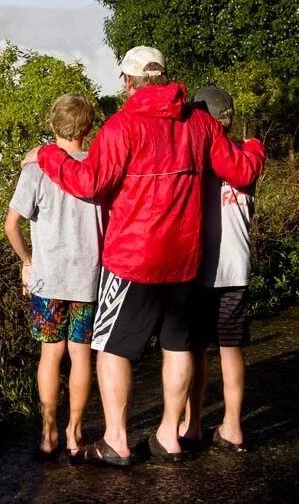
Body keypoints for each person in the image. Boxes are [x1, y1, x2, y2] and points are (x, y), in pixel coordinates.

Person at [23, 46, 265, 466]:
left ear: (128, 81)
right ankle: (169, 435)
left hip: (132, 260)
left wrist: (49, 154)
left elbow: (89, 183)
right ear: (165, 77)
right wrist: (255, 146)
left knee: (112, 350)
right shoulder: (200, 123)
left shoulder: (121, 127)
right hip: (185, 259)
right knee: (177, 346)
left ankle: (116, 439)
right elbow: (242, 171)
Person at [4, 94, 104, 459]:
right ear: (88, 127)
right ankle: (75, 435)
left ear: (51, 126)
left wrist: (27, 260)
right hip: (88, 280)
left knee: (50, 355)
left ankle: (48, 435)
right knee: (81, 356)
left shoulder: (35, 170)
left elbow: (11, 224)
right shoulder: (99, 167)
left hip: (48, 280)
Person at [179, 85, 254, 452]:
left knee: (195, 350)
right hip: (237, 269)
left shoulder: (195, 159)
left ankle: (192, 426)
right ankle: (233, 427)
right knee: (230, 348)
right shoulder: (248, 160)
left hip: (199, 269)